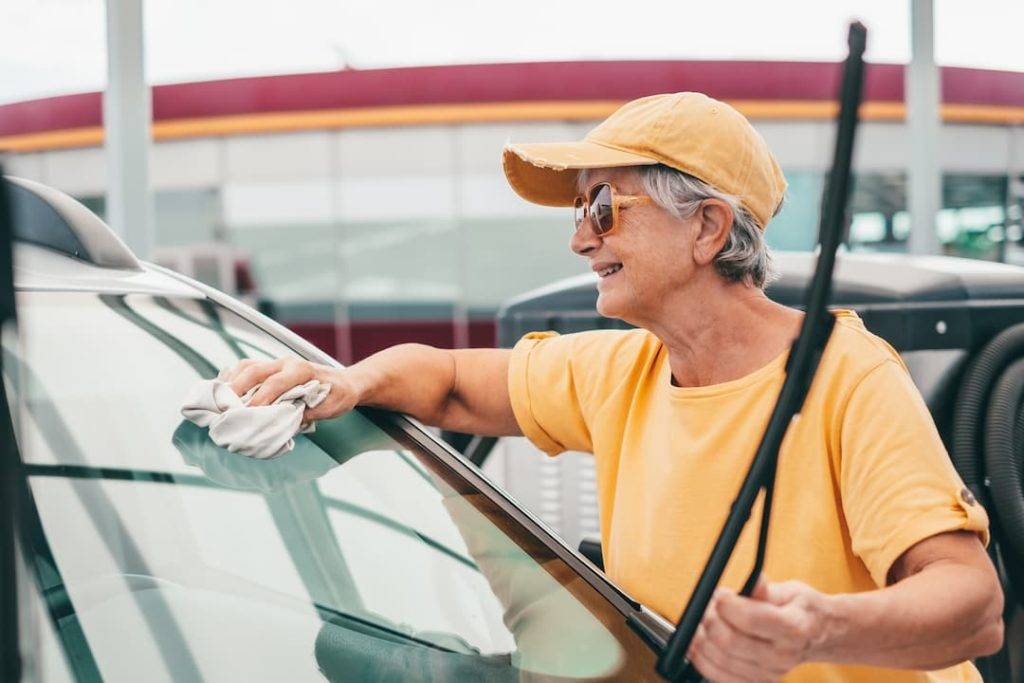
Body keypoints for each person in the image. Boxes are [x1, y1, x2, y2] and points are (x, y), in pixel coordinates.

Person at [219, 92, 1003, 682]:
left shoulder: (847, 378)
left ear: (708, 229)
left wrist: (819, 627)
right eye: (580, 210)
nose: (579, 236)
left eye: (603, 206)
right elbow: (451, 382)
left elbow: (973, 605)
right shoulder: (618, 370)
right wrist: (345, 381)